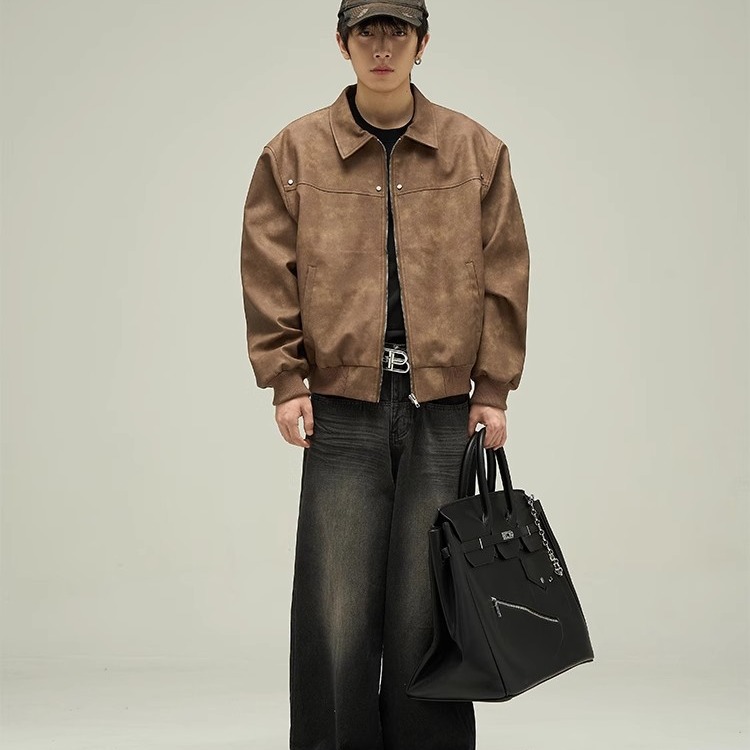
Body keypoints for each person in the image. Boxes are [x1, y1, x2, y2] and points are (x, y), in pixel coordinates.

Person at [239, 1, 530, 747]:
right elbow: (268, 269)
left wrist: (493, 388)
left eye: (397, 30)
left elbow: (504, 271)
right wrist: (286, 379)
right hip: (341, 409)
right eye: (366, 30)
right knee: (337, 609)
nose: (381, 46)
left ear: (422, 43)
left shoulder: (474, 150)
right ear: (341, 43)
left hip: (443, 407)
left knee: (426, 610)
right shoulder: (295, 152)